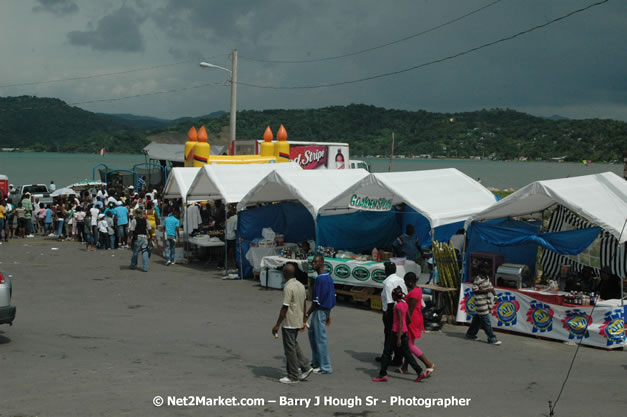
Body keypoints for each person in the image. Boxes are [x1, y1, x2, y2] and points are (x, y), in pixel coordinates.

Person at [271, 263, 313, 384]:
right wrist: (304, 319)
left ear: (285, 273)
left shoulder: (288, 287)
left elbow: (285, 307)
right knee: (293, 344)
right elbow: (304, 303)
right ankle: (306, 366)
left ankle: (293, 375)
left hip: (289, 321)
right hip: (298, 320)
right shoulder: (300, 285)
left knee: (289, 349)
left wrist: (277, 324)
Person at [372, 286, 425, 382]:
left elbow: (400, 321)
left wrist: (399, 337)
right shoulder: (405, 304)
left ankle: (383, 374)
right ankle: (420, 371)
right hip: (404, 331)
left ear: (395, 296)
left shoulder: (398, 306)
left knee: (387, 352)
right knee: (407, 353)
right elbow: (408, 319)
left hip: (396, 332)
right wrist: (404, 328)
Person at [399, 272, 436, 377]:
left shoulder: (414, 293)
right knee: (408, 343)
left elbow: (409, 311)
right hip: (415, 318)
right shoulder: (418, 289)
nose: (405, 284)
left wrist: (404, 324)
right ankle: (404, 367)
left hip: (411, 319)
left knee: (409, 345)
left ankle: (428, 363)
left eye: (406, 282)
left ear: (410, 281)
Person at [306, 254, 336, 374]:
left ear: (321, 263)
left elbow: (316, 302)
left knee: (320, 338)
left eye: (316, 262)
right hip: (324, 310)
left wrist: (307, 314)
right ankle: (316, 362)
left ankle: (325, 367)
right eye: (313, 262)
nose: (313, 264)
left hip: (320, 311)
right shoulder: (328, 277)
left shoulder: (320, 279)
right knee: (312, 334)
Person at [376, 262, 407, 366]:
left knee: (389, 335)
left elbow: (390, 302)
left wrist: (387, 316)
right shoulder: (401, 280)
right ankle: (398, 358)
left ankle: (387, 357)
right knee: (398, 334)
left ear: (387, 271)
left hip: (391, 312)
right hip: (401, 310)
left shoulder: (387, 283)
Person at [466, 262, 502, 345]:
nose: (487, 270)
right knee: (486, 321)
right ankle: (492, 338)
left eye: (488, 268)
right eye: (486, 268)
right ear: (481, 269)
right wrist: (485, 291)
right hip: (480, 302)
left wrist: (495, 297)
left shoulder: (487, 277)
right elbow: (475, 290)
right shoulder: (478, 279)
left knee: (477, 319)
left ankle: (470, 334)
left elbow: (491, 288)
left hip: (486, 302)